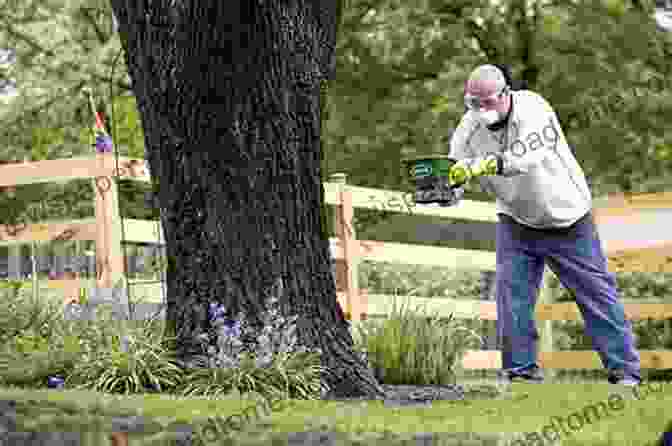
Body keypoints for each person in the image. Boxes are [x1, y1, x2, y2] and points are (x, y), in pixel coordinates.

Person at [445, 64, 641, 386]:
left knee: (596, 296)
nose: (481, 110)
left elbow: (526, 158)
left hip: (567, 218)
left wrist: (481, 166)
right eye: (473, 103)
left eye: (488, 102)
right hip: (517, 220)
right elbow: (454, 167)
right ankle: (520, 373)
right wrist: (445, 191)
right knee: (512, 297)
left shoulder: (533, 109)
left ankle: (625, 372)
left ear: (506, 93)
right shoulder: (468, 127)